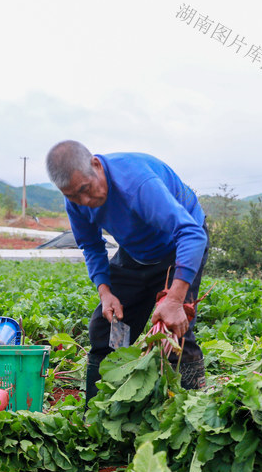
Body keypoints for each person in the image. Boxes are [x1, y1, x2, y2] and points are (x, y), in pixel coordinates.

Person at [45, 140, 209, 400]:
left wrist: (175, 299)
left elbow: (192, 234)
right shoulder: (76, 201)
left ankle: (193, 407)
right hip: (135, 252)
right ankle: (100, 410)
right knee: (108, 328)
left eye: (86, 190)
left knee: (176, 330)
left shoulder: (137, 184)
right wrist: (105, 292)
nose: (84, 201)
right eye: (74, 196)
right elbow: (91, 244)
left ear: (96, 165)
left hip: (178, 247)